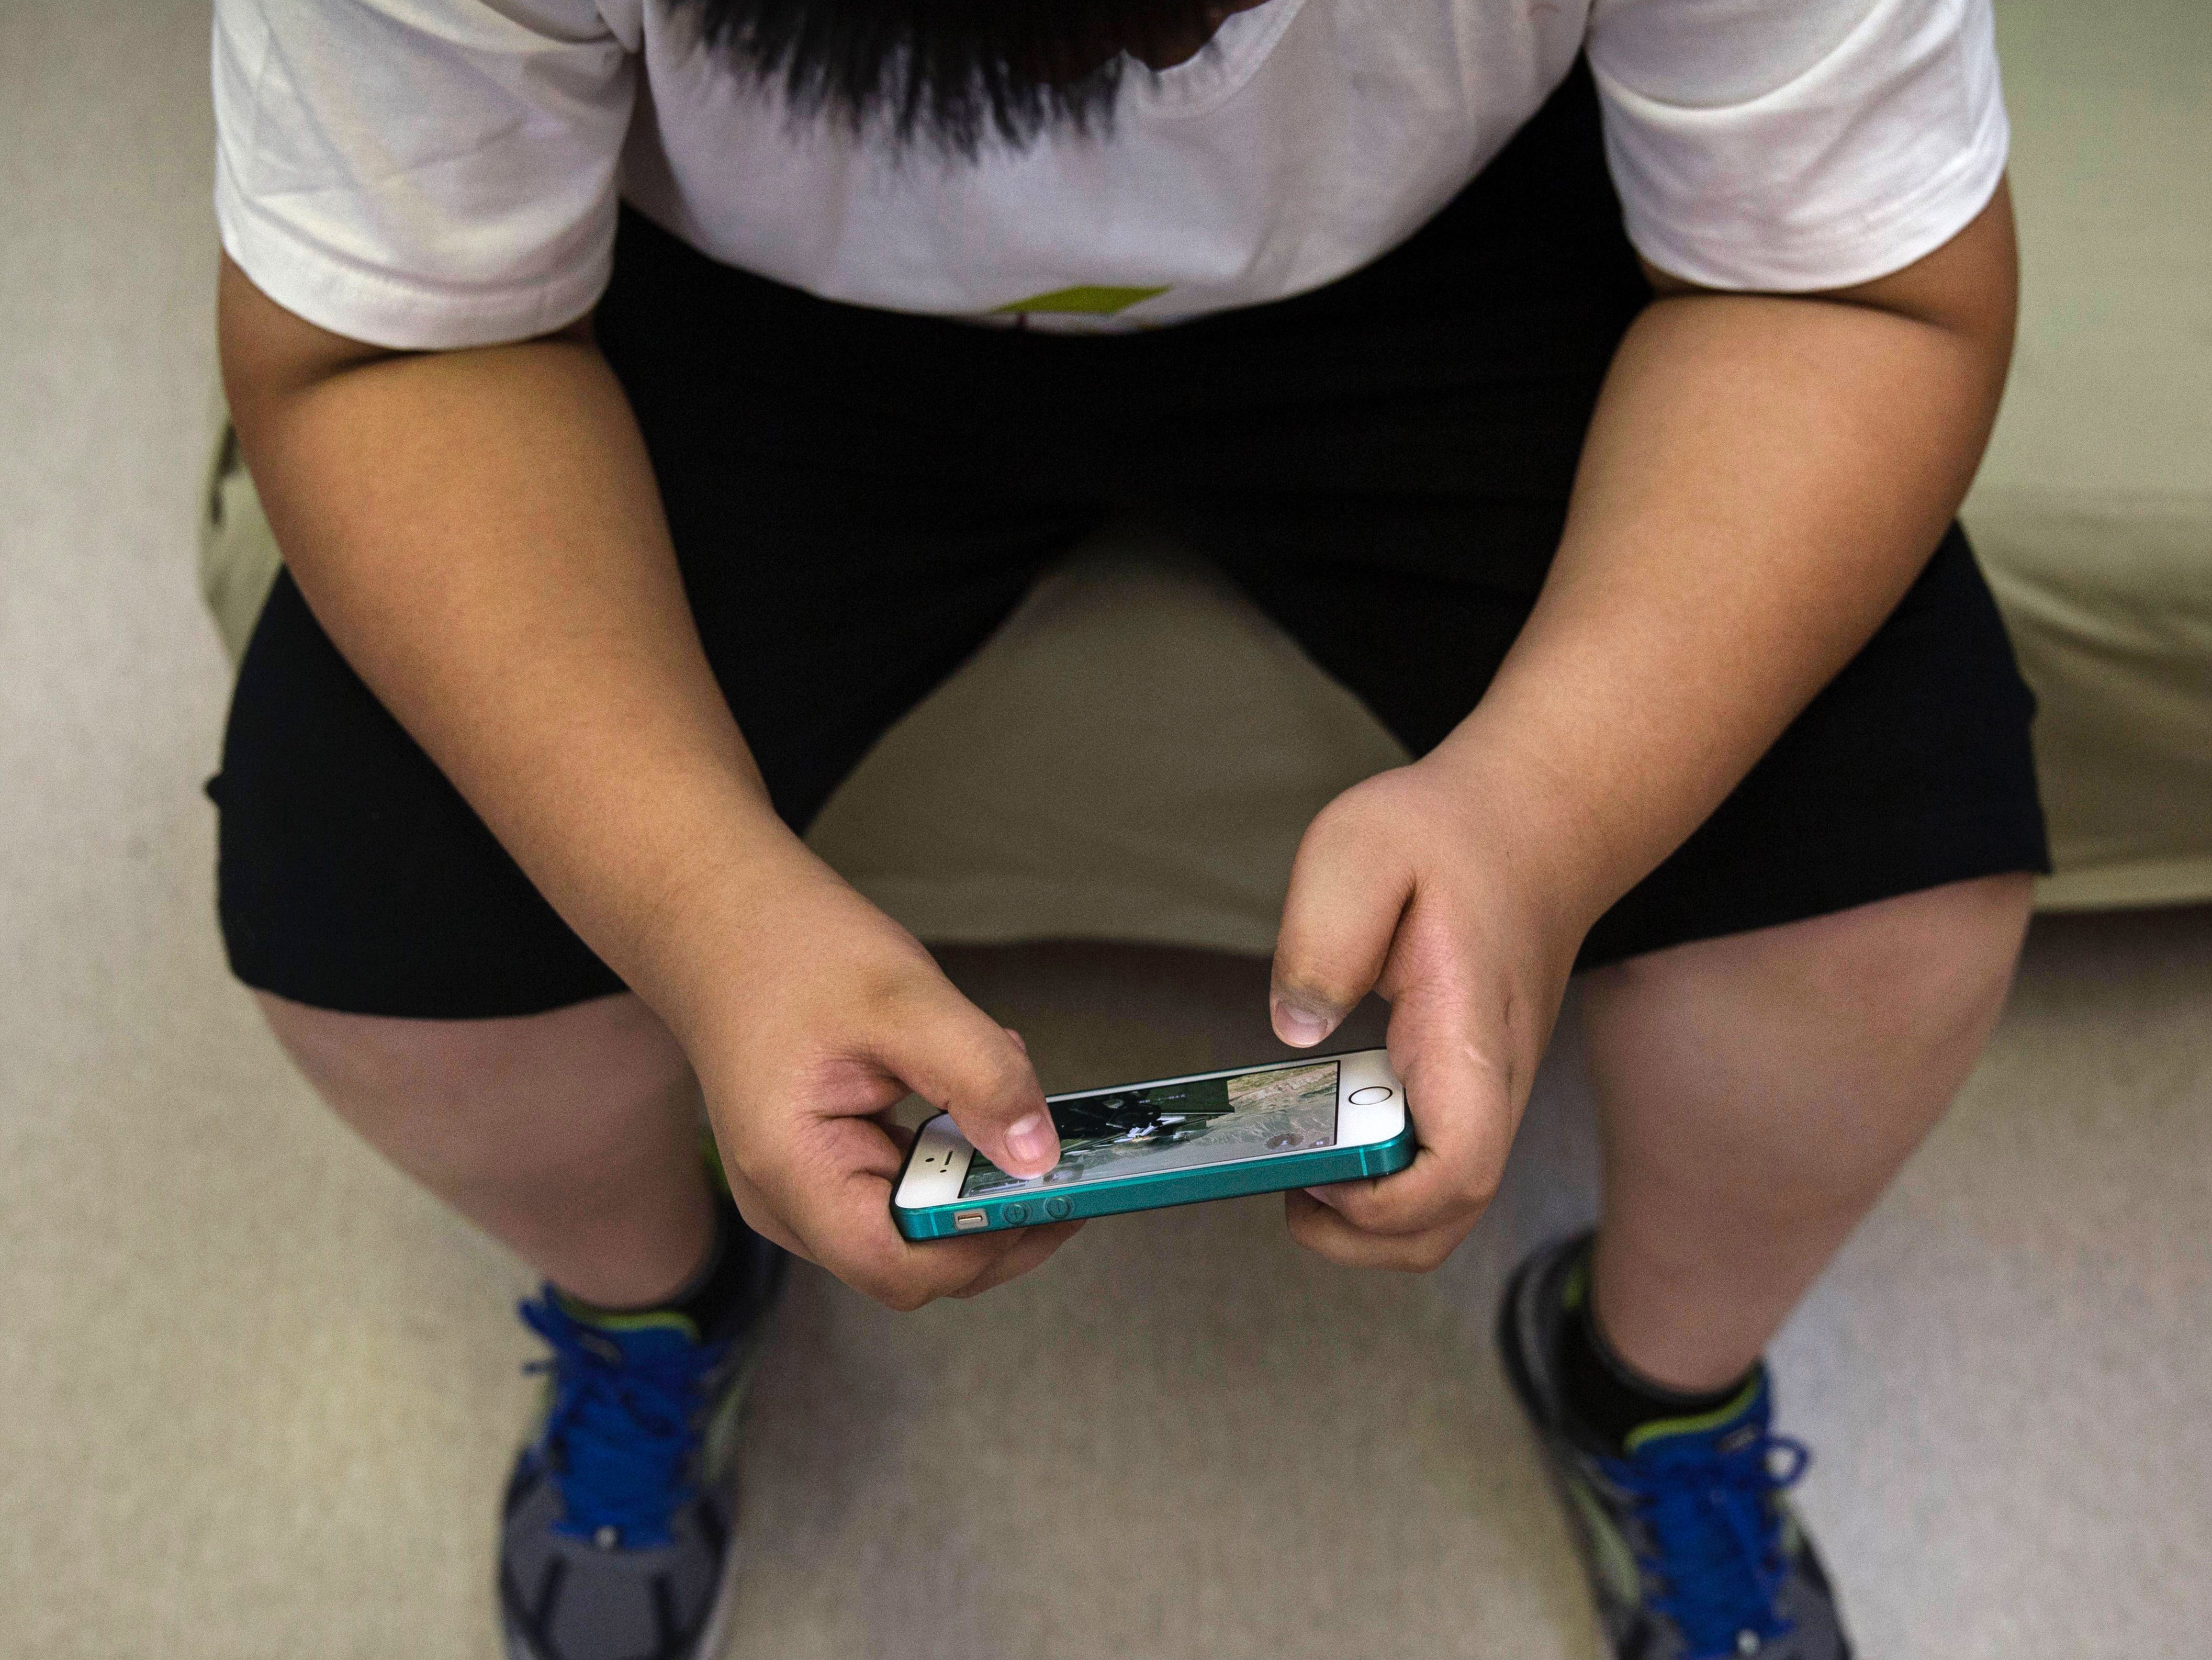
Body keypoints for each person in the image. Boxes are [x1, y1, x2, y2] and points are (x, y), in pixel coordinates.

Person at [206, 0, 2044, 1655]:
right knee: (377, 932)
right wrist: (700, 909)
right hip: (709, 279)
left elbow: (1851, 294)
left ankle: (1657, 1385)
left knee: (1884, 904)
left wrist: (1546, 812)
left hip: (1462, 233)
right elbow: (384, 354)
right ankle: (660, 1301)